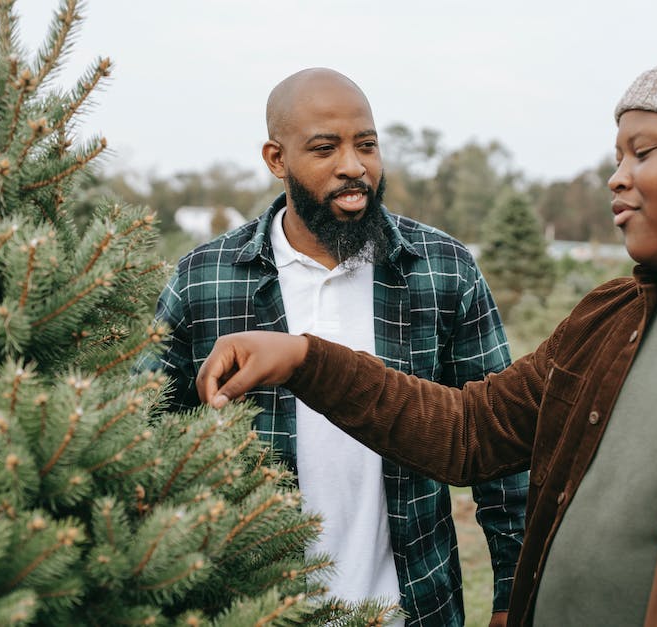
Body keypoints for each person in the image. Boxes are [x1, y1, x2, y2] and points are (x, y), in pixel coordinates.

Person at [194, 27, 657, 626]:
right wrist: (305, 360)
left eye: (643, 152)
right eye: (618, 156)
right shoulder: (608, 319)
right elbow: (468, 430)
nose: (616, 178)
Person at [142, 68, 527, 626]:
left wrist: (512, 596)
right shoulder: (205, 280)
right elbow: (147, 441)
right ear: (276, 160)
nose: (354, 166)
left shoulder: (443, 270)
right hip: (256, 612)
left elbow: (505, 448)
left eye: (366, 145)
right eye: (325, 148)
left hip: (411, 609)